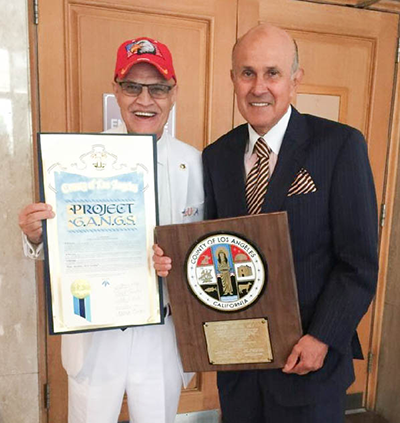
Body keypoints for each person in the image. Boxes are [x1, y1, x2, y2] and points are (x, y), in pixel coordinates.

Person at [155, 23, 379, 423]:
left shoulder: (340, 145)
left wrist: (323, 336)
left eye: (272, 73)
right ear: (233, 79)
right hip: (239, 367)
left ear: (295, 79)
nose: (259, 87)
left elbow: (358, 263)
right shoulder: (218, 156)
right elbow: (211, 249)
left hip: (309, 364)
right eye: (247, 73)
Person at [18, 37, 204, 423]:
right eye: (132, 87)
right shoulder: (79, 159)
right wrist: (37, 237)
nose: (145, 100)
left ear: (173, 94)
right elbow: (67, 246)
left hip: (163, 331)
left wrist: (178, 260)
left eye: (158, 89)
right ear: (116, 92)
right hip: (95, 329)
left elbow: (204, 246)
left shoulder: (196, 164)